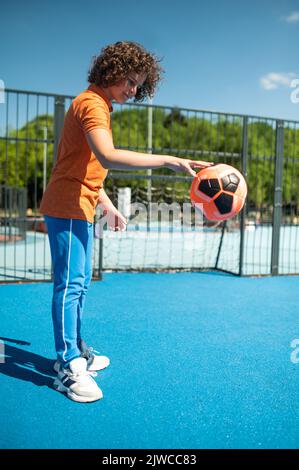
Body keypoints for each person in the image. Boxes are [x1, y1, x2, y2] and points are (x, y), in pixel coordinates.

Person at [40, 41, 212, 403]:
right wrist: (167, 159)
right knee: (70, 285)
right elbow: (107, 155)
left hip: (81, 203)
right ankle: (67, 364)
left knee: (80, 283)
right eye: (130, 80)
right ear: (111, 70)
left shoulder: (98, 105)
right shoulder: (92, 104)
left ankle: (77, 350)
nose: (134, 90)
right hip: (68, 206)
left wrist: (107, 203)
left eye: (139, 85)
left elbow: (84, 166)